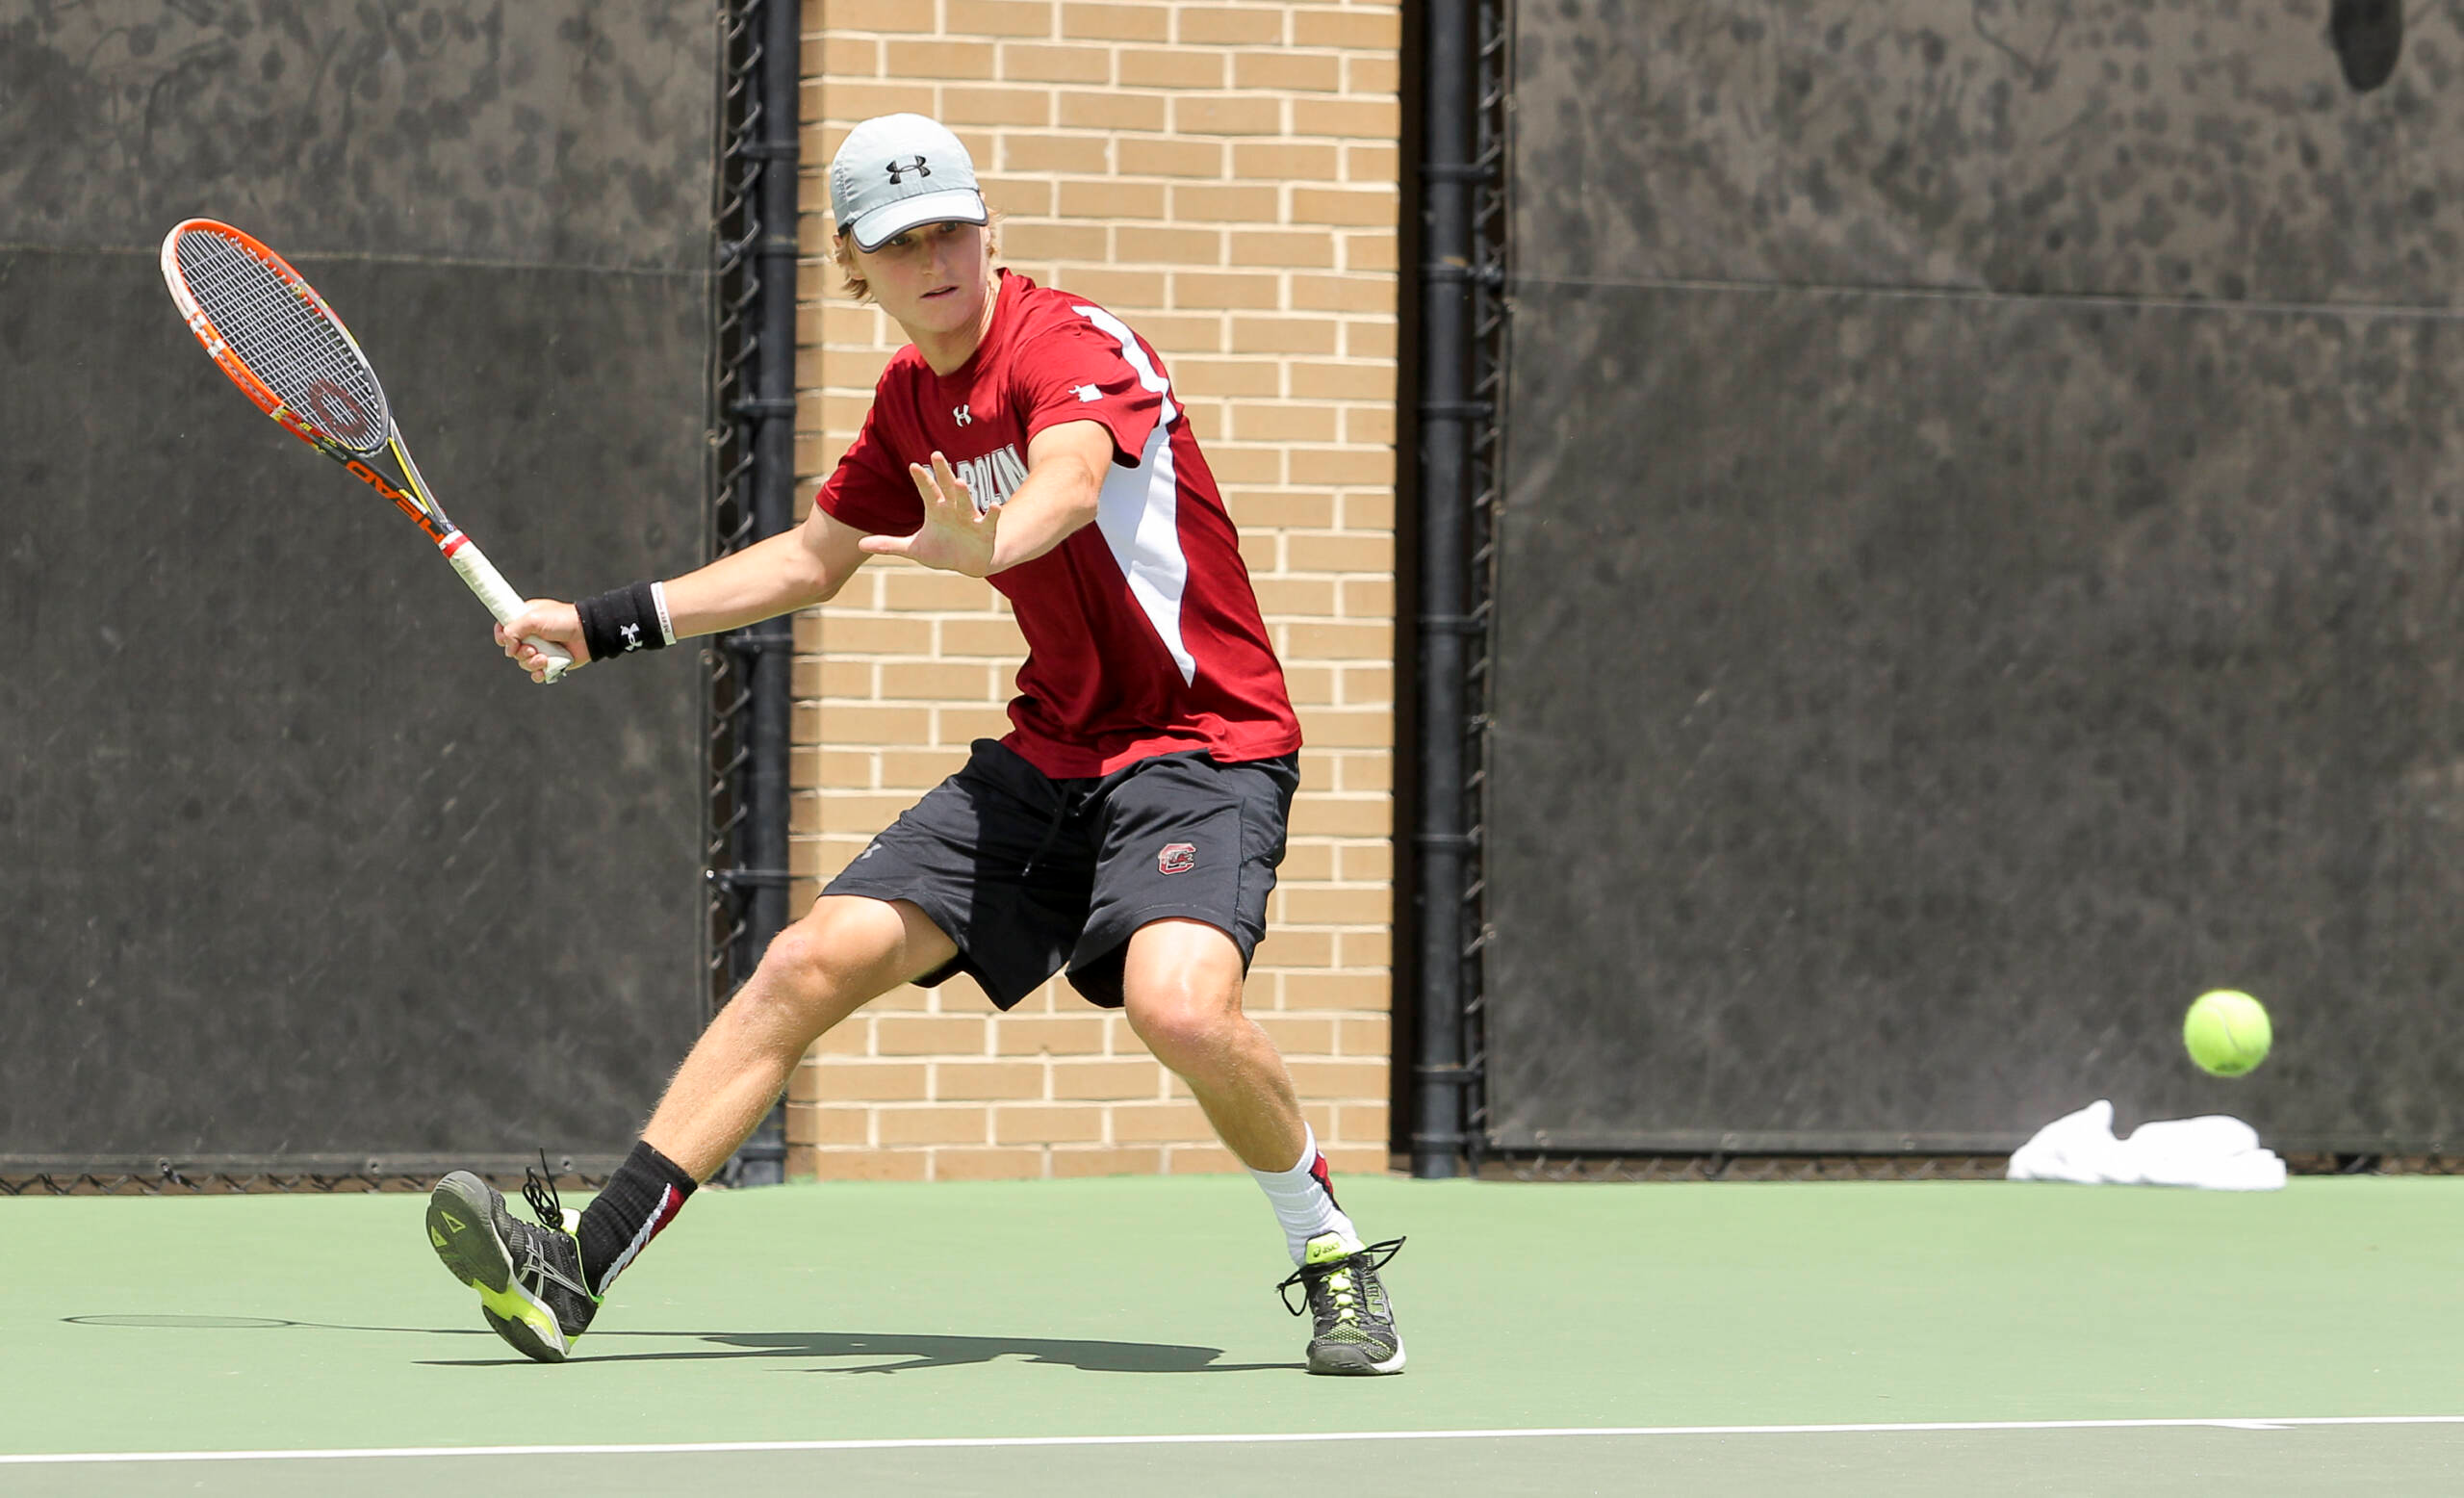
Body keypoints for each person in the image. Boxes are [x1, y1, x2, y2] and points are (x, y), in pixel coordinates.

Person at [422, 113, 1405, 1376]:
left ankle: (1329, 1255)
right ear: (854, 264)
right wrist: (601, 627)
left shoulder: (1070, 343)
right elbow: (810, 561)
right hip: (1053, 755)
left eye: (950, 228)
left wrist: (991, 542)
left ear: (988, 229)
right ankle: (575, 1273)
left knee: (1179, 1004)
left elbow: (1065, 474)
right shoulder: (906, 405)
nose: (934, 258)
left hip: (1203, 745)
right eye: (900, 242)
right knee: (808, 958)